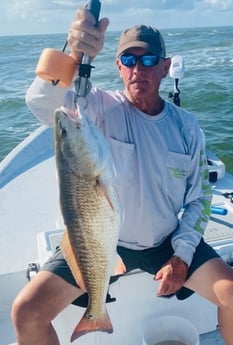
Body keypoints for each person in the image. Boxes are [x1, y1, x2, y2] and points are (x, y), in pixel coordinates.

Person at [11, 6, 233, 345]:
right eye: (129, 61)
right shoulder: (98, 107)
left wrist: (182, 254)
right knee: (26, 310)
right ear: (118, 66)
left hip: (165, 241)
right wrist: (72, 52)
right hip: (100, 242)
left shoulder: (186, 126)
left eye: (148, 61)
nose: (137, 70)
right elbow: (43, 104)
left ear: (165, 66)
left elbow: (199, 197)